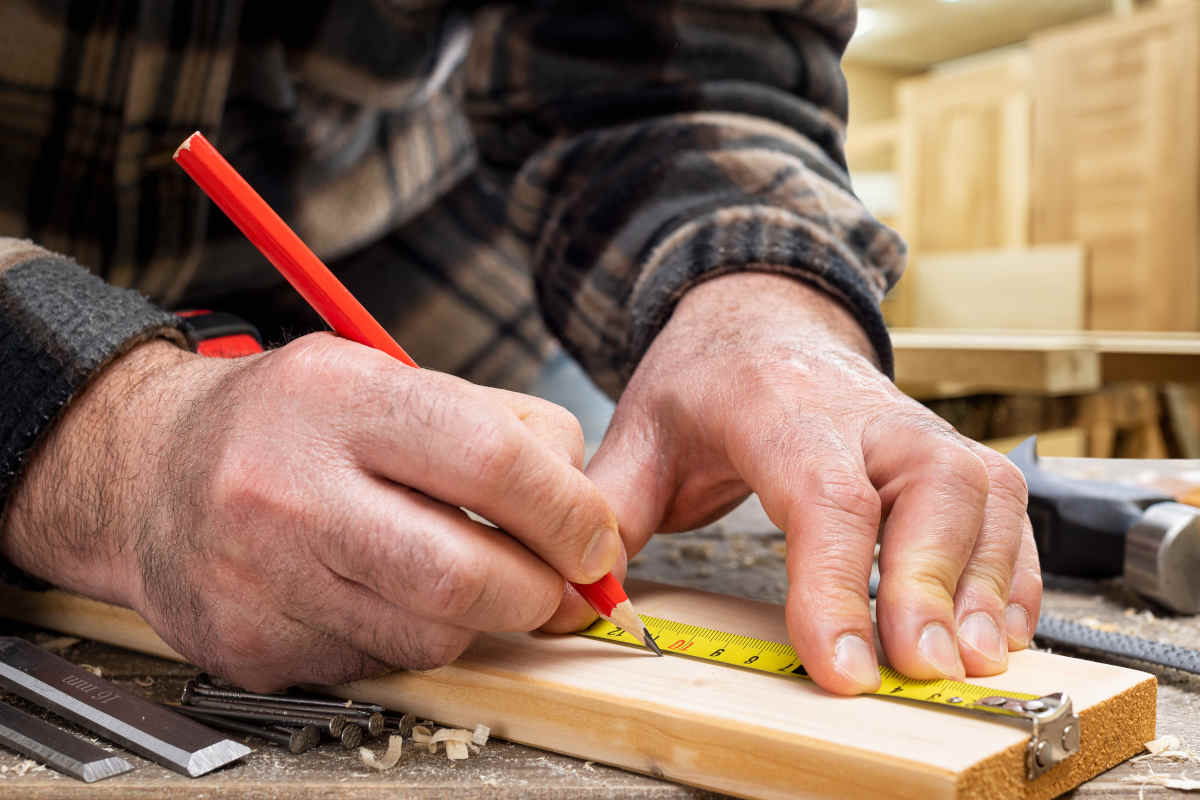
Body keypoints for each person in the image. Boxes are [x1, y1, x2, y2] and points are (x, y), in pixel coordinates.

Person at [0, 1, 1039, 695]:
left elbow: (671, 65)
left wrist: (753, 298)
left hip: (408, 269)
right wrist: (108, 440)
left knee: (530, 534)